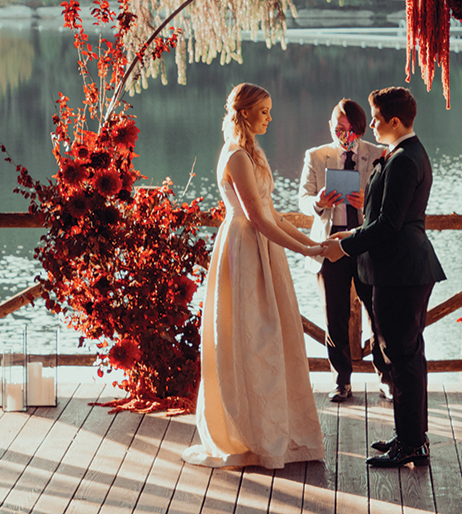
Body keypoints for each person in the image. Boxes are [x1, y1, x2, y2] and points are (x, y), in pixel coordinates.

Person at [182, 83, 325, 469]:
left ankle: (274, 429)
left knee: (273, 340)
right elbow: (258, 220)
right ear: (244, 112)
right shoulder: (237, 156)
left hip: (264, 250)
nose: (269, 118)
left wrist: (312, 242)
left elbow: (274, 215)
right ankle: (251, 434)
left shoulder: (253, 153)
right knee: (250, 338)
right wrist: (308, 251)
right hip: (245, 250)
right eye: (263, 112)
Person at [321, 86, 445, 468]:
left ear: (394, 121)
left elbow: (390, 225)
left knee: (403, 357)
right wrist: (348, 235)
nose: (371, 124)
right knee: (405, 355)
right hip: (399, 268)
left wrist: (346, 246)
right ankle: (409, 438)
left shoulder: (405, 160)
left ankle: (412, 445)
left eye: (375, 118)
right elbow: (382, 220)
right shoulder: (403, 154)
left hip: (402, 270)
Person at [298, 98, 392, 404]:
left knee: (377, 311)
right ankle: (341, 380)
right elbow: (302, 197)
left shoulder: (379, 155)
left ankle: (386, 377)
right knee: (333, 314)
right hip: (330, 241)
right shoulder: (316, 156)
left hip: (366, 240)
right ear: (330, 126)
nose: (345, 135)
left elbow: (389, 204)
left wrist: (366, 202)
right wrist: (317, 203)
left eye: (351, 130)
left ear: (361, 131)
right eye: (340, 128)